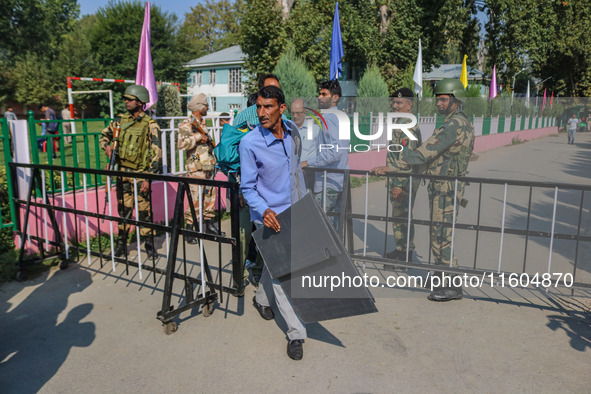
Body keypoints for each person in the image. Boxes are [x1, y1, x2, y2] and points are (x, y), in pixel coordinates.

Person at [384, 78, 474, 302]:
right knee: (438, 232)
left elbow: (426, 152)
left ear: (455, 100)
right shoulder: (453, 121)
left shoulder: (454, 125)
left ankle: (452, 285)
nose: (439, 103)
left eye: (443, 99)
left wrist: (394, 167)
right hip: (442, 185)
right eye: (438, 99)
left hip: (447, 187)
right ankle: (440, 276)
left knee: (442, 235)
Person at [239, 85, 307, 360]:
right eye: (258, 106)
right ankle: (296, 332)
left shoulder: (292, 131)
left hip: (296, 209)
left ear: (281, 108)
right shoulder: (250, 143)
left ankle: (261, 299)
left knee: (273, 267)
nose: (261, 112)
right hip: (269, 217)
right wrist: (264, 210)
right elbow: (247, 188)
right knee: (283, 273)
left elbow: (295, 170)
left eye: (268, 107)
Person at [100, 84, 162, 258]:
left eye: (130, 99)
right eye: (126, 99)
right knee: (124, 210)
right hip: (122, 173)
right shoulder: (120, 121)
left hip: (140, 174)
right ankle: (121, 244)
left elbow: (156, 154)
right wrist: (107, 147)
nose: (126, 102)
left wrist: (147, 178)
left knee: (144, 212)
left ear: (140, 101)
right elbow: (104, 135)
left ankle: (149, 244)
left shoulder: (150, 125)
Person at [371, 87, 423, 263]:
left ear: (409, 105)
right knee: (399, 215)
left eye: (399, 103)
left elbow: (407, 159)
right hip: (398, 178)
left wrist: (399, 184)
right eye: (393, 102)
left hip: (404, 180)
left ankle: (405, 252)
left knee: (402, 215)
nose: (395, 105)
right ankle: (402, 249)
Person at [301, 80, 349, 232]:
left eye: (324, 94)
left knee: (323, 230)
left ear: (335, 97)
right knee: (333, 228)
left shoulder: (330, 117)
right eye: (319, 93)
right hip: (337, 180)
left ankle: (328, 256)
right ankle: (336, 256)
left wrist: (307, 163)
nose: (319, 97)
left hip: (328, 182)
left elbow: (334, 152)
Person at [177, 93, 224, 241]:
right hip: (196, 169)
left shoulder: (202, 124)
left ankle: (209, 226)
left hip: (208, 168)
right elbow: (182, 144)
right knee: (195, 200)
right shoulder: (187, 124)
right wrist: (198, 137)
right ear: (199, 107)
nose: (207, 108)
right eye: (205, 105)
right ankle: (190, 230)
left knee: (210, 198)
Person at [291, 98, 318, 190]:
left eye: (298, 113)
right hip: (291, 178)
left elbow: (322, 155)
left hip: (309, 176)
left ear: (305, 112)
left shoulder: (315, 130)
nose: (295, 116)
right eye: (292, 113)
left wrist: (306, 163)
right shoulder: (287, 130)